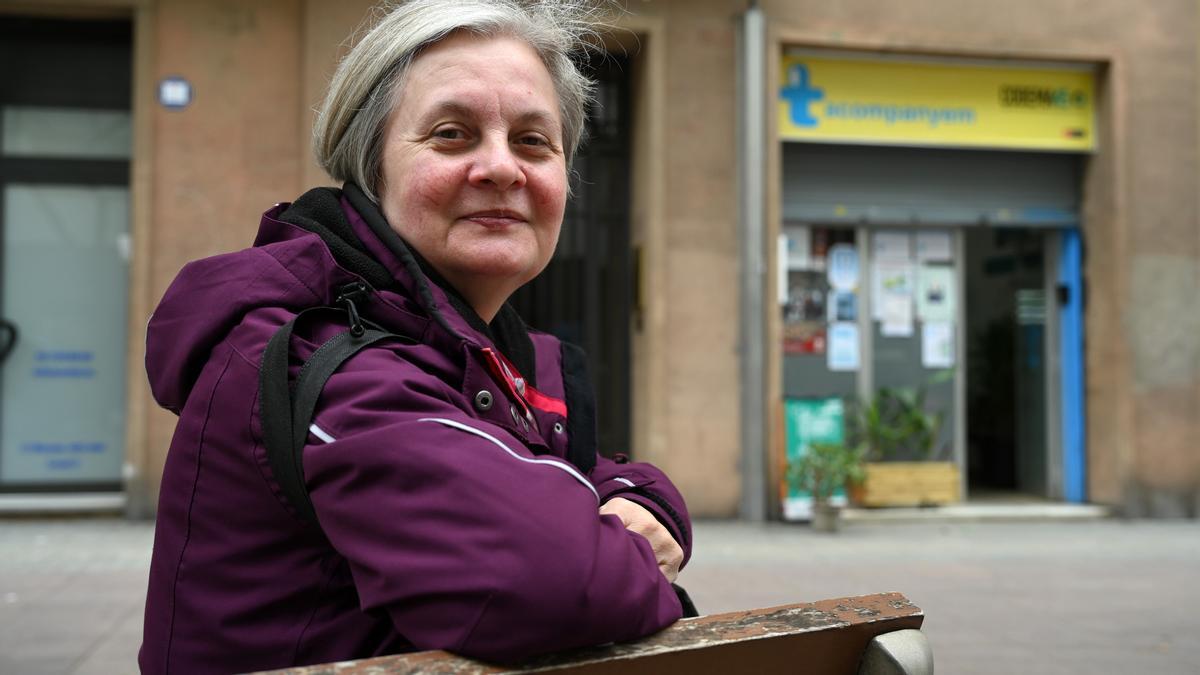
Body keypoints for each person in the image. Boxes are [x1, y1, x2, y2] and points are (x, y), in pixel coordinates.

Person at [138, 1, 692, 672]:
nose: (502, 168)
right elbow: (546, 579)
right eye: (453, 134)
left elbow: (589, 472)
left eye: (533, 141)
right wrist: (623, 539)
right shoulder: (319, 355)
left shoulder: (489, 349)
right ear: (372, 168)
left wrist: (645, 495)